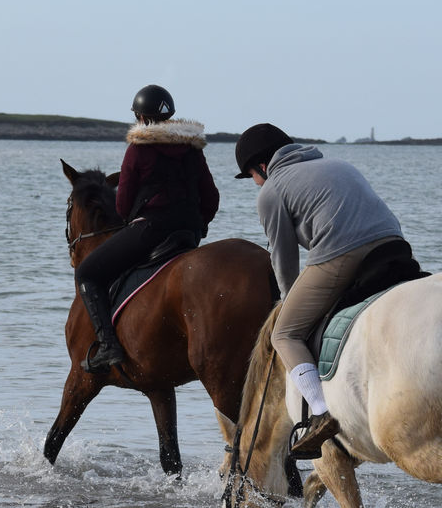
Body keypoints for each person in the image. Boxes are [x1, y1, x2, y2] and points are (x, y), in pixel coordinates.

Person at [234, 122, 406, 458]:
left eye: (252, 175)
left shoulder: (272, 190)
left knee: (284, 334)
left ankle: (320, 410)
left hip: (343, 253)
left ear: (263, 165)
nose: (255, 183)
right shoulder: (338, 164)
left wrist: (288, 301)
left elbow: (282, 257)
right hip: (394, 244)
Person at [75, 84, 220, 372]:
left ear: (140, 117)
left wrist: (131, 221)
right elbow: (212, 198)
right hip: (189, 232)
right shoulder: (191, 149)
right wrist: (198, 225)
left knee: (87, 273)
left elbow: (123, 204)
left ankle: (108, 347)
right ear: (170, 117)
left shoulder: (138, 149)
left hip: (151, 229)